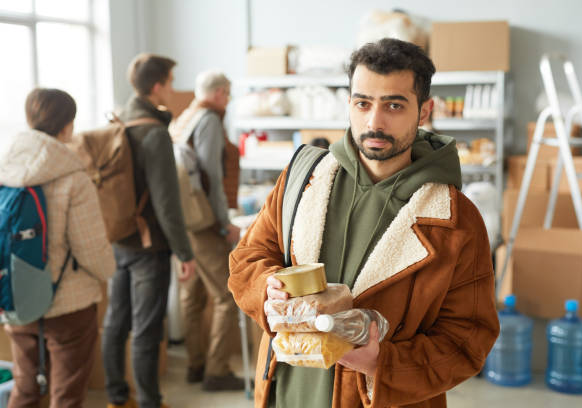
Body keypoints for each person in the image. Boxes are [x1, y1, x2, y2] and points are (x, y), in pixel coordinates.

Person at [228, 38, 500, 408]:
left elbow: (468, 339)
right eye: (363, 103)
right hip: (285, 396)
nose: (374, 121)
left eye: (394, 105)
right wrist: (267, 289)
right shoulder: (303, 178)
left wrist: (382, 364)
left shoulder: (455, 220)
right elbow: (248, 257)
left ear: (424, 111)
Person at [0, 88, 116, 407]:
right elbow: (90, 249)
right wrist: (109, 271)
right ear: (68, 125)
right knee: (66, 394)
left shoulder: (5, 169)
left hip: (16, 298)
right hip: (69, 304)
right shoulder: (73, 177)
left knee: (25, 387)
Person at [103, 53, 196, 408]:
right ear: (157, 86)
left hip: (120, 236)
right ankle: (149, 403)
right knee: (146, 330)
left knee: (116, 322)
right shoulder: (154, 133)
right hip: (149, 246)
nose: (172, 90)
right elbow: (166, 204)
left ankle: (116, 398)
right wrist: (184, 253)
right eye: (171, 82)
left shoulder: (119, 121)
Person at [169, 70, 244, 391]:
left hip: (181, 220)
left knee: (193, 296)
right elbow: (211, 173)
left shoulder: (184, 118)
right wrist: (223, 220)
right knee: (227, 297)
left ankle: (196, 365)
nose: (228, 100)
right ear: (220, 93)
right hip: (203, 221)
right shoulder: (210, 120)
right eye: (227, 94)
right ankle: (217, 371)